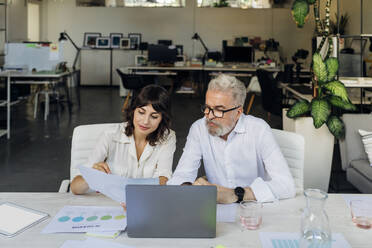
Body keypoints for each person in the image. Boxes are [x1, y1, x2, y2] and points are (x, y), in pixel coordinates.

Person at [167, 74, 295, 203]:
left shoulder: (259, 129)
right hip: (217, 207)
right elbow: (181, 175)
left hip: (255, 208)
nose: (209, 116)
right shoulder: (199, 129)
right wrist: (188, 188)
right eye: (207, 108)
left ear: (238, 112)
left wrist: (235, 194)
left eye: (218, 110)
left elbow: (286, 185)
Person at [71, 84, 176, 195]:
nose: (145, 121)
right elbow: (75, 188)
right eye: (141, 112)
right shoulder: (110, 135)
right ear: (133, 110)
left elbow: (164, 180)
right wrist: (92, 175)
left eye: (154, 116)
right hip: (108, 203)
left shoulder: (167, 138)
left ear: (162, 119)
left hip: (145, 201)